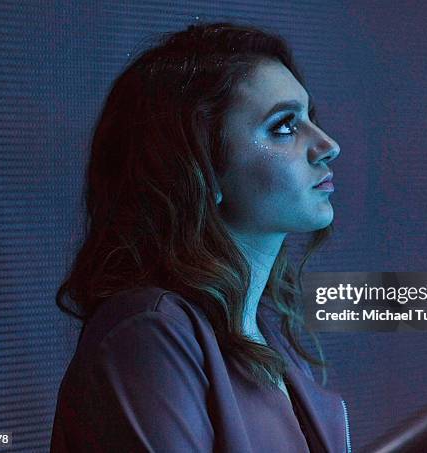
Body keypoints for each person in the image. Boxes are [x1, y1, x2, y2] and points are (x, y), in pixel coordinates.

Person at [50, 22, 351, 453]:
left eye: (310, 118)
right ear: (200, 167)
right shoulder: (149, 331)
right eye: (284, 126)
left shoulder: (265, 337)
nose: (328, 145)